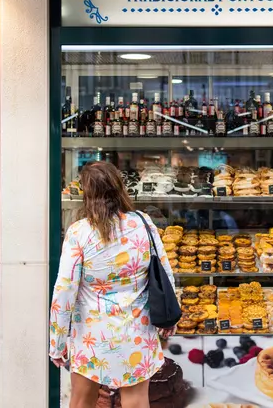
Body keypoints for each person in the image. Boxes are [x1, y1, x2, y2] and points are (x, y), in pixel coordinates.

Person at [49, 161, 176, 408]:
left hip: (92, 334)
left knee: (82, 400)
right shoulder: (144, 223)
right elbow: (164, 273)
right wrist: (170, 318)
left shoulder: (79, 232)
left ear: (87, 193)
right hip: (137, 329)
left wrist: (57, 342)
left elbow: (64, 289)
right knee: (137, 402)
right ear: (119, 187)